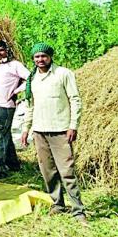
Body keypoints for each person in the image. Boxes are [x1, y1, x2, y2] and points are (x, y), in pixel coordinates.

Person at [21, 43, 88, 226]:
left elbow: (75, 100)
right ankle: (57, 204)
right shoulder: (32, 79)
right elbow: (30, 106)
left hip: (60, 130)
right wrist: (26, 129)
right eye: (36, 57)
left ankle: (78, 210)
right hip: (39, 130)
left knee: (67, 171)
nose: (40, 60)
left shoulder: (63, 74)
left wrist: (73, 126)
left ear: (50, 57)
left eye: (43, 56)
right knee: (48, 171)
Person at [0, 22, 30, 179]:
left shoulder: (15, 65)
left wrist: (16, 91)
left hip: (6, 106)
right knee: (5, 134)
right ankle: (13, 164)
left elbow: (30, 78)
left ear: (7, 51)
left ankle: (1, 170)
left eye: (2, 50)